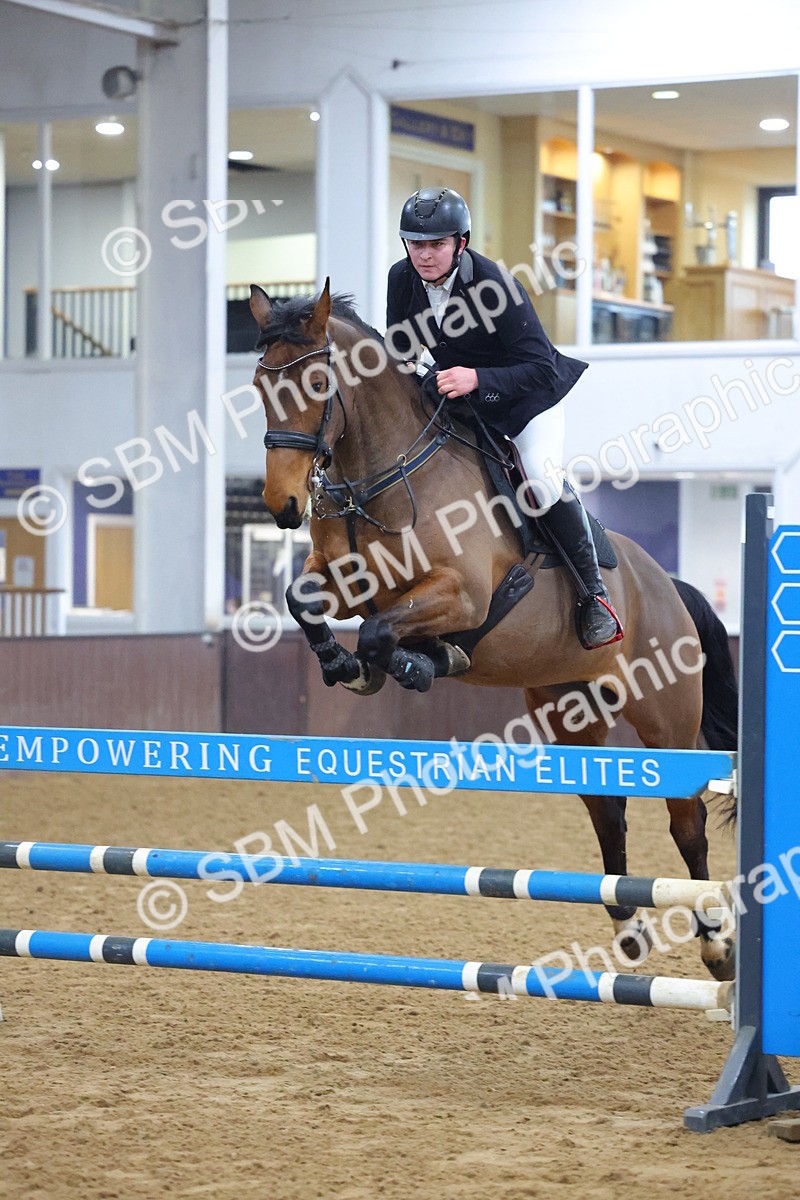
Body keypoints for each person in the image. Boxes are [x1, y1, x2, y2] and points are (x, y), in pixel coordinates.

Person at [386, 185, 623, 651]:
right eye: (415, 243)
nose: (424, 254)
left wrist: (475, 377)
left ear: (461, 242)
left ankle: (594, 595)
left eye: (436, 244)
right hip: (464, 401)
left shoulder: (495, 286)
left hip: (527, 402)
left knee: (540, 483)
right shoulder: (402, 278)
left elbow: (541, 367)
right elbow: (401, 347)